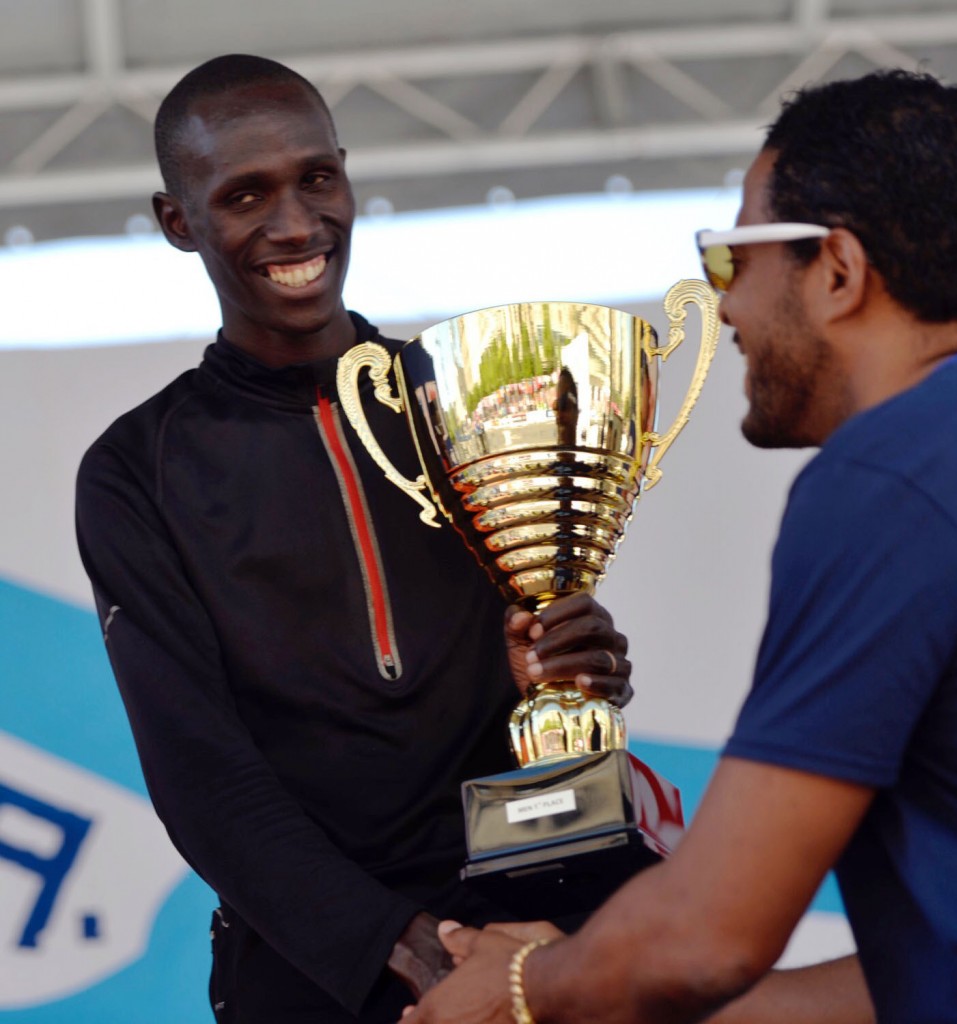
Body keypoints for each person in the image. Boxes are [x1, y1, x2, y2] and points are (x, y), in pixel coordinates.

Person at [406, 68, 957, 1024]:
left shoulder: (893, 473)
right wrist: (571, 972)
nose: (722, 306)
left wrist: (520, 990)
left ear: (838, 270)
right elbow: (947, 968)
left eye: (730, 260)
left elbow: (707, 937)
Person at [74, 54, 634, 1024]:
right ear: (178, 220)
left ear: (346, 176)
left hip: (546, 919)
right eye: (245, 195)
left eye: (315, 179)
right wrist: (405, 949)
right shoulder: (138, 469)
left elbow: (544, 686)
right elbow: (203, 777)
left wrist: (578, 671)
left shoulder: (474, 404)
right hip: (327, 969)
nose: (296, 224)